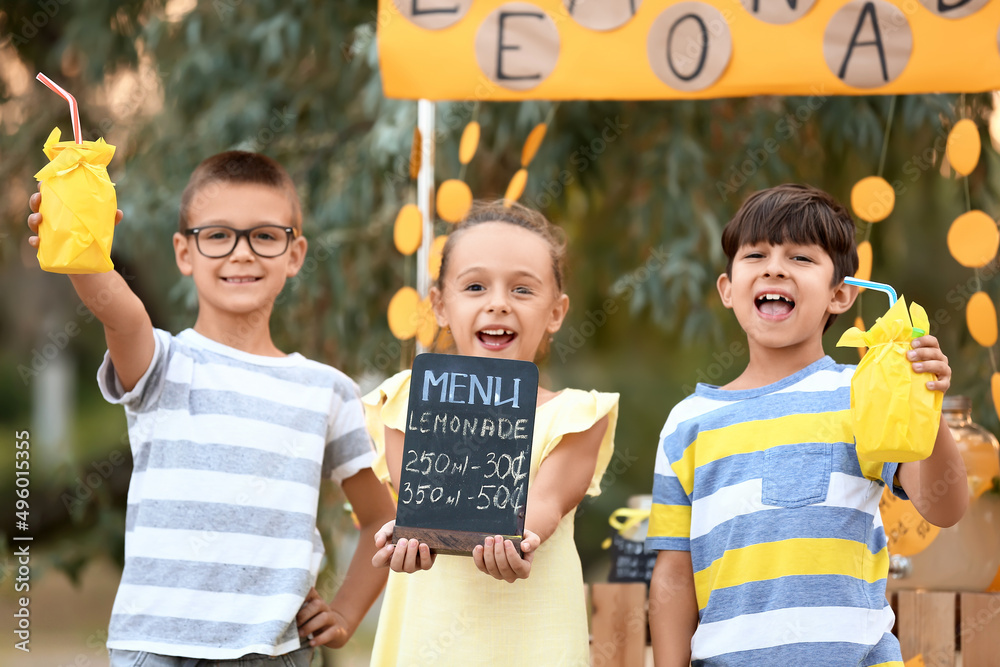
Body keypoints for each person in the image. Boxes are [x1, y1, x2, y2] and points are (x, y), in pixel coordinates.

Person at [26, 151, 395, 666]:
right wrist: (84, 254)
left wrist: (347, 613)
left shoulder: (327, 391)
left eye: (265, 236)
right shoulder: (162, 362)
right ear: (184, 252)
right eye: (218, 235)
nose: (241, 253)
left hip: (273, 652)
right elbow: (120, 311)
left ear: (295, 253)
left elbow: (382, 518)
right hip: (153, 649)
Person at [645, 183, 968, 666]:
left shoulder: (863, 395)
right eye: (756, 254)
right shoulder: (687, 424)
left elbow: (945, 506)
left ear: (840, 295)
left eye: (800, 258)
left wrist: (927, 409)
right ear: (728, 289)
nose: (775, 267)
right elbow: (673, 576)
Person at [362, 201, 619, 664]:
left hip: (535, 649)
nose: (497, 302)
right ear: (440, 305)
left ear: (556, 312)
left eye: (522, 289)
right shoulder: (405, 399)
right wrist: (401, 537)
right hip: (427, 647)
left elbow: (541, 506)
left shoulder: (578, 415)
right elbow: (418, 501)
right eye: (475, 286)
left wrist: (514, 542)